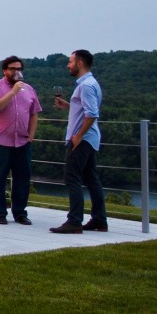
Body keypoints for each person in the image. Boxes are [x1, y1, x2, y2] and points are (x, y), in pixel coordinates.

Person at [50, 49, 106, 234]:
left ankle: (74, 221)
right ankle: (99, 220)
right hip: (91, 138)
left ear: (80, 63)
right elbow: (85, 110)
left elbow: (92, 114)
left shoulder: (86, 86)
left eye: (70, 61)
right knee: (91, 179)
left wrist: (79, 135)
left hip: (83, 139)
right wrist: (68, 105)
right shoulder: (91, 83)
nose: (68, 65)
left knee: (72, 178)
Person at [0, 56, 41, 225]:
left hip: (23, 142)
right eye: (12, 69)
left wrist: (31, 136)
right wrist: (13, 92)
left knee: (22, 179)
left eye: (19, 69)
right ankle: (0, 213)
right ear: (4, 70)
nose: (16, 72)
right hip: (1, 141)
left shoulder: (29, 89)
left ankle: (20, 213)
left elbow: (34, 113)